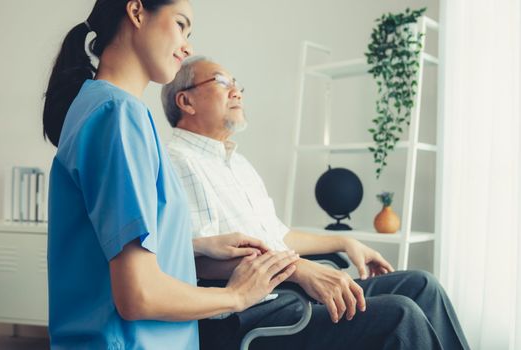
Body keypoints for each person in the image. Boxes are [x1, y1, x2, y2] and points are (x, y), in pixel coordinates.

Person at [161, 56, 471, 349]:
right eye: (221, 82)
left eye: (236, 84)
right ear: (185, 101)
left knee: (421, 285)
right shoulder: (178, 163)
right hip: (252, 313)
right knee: (400, 315)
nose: (237, 92)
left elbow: (278, 236)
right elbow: (195, 261)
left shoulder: (238, 163)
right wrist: (296, 269)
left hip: (289, 291)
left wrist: (345, 241)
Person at [42, 2, 300, 349]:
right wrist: (237, 296)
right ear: (136, 12)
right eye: (181, 25)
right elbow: (139, 295)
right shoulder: (118, 114)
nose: (188, 46)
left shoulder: (100, 107)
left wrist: (194, 246)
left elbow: (107, 250)